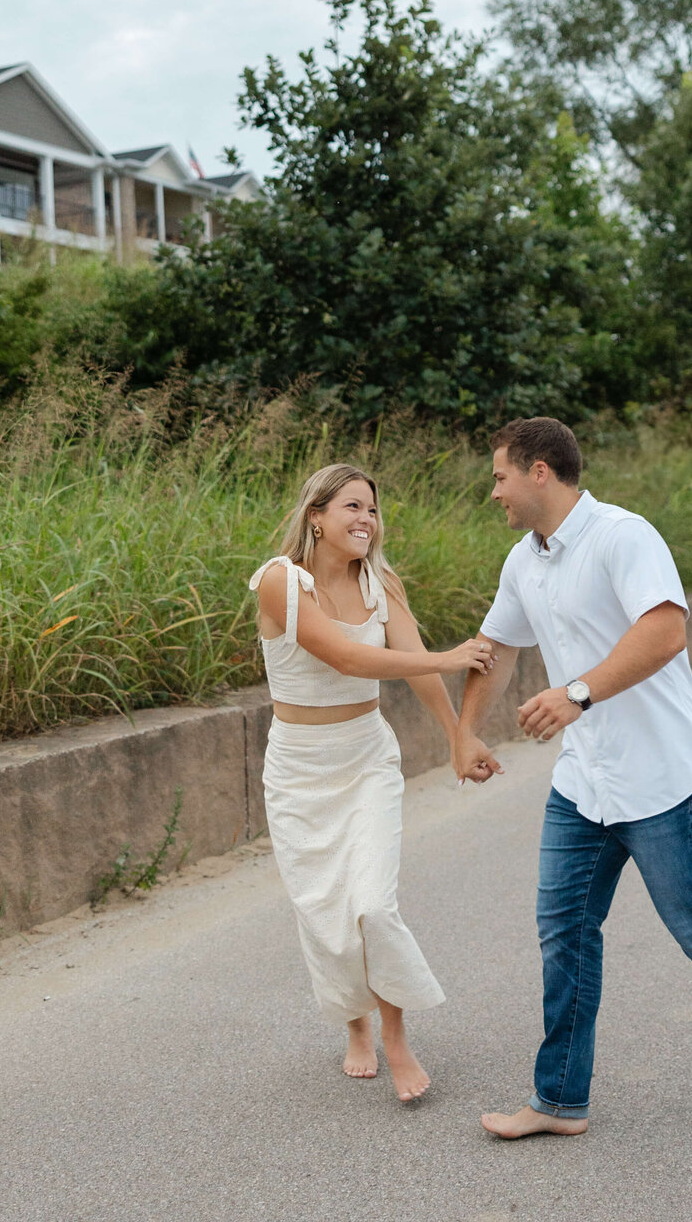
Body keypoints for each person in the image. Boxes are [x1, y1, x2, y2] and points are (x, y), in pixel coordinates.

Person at [454, 417, 692, 1148]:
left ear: (539, 472)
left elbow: (666, 630)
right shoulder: (524, 560)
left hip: (663, 777)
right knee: (565, 933)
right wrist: (464, 733)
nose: (495, 492)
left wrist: (576, 693)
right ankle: (560, 1098)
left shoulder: (624, 535)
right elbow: (498, 649)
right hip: (585, 783)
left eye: (499, 477)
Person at [251, 461, 495, 1102]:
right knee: (325, 913)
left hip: (366, 759)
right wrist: (448, 655)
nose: (365, 520)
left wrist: (456, 737)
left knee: (373, 905)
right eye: (352, 507)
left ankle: (394, 1035)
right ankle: (353, 1024)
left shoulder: (379, 580)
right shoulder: (280, 582)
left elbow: (413, 670)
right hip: (300, 767)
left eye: (372, 510)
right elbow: (347, 655)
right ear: (317, 517)